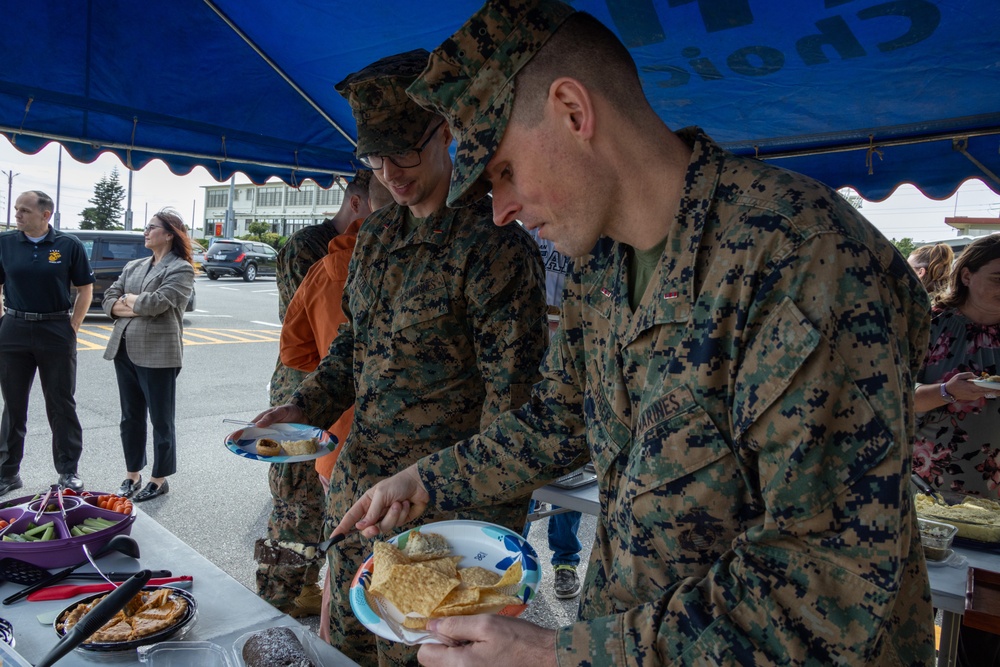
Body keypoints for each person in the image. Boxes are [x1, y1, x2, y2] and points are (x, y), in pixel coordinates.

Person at [333, 2, 936, 665]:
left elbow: (826, 584)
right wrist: (426, 478)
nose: (499, 211)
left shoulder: (798, 260)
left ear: (572, 112)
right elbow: (556, 419)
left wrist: (554, 653)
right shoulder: (603, 265)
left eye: (503, 171)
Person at [252, 48, 548, 665]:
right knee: (351, 648)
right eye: (374, 156)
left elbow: (512, 402)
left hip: (444, 503)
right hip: (362, 492)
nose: (390, 170)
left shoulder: (493, 243)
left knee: (421, 658)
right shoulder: (379, 237)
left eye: (405, 150)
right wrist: (299, 408)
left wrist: (482, 535)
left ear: (444, 131)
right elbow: (351, 351)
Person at [255, 170, 375, 618]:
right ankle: (274, 596)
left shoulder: (344, 249)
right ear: (358, 204)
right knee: (292, 508)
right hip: (303, 386)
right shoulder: (313, 248)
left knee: (314, 508)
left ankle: (302, 587)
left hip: (322, 389)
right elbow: (318, 329)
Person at [280, 173, 394, 643]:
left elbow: (295, 352)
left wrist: (324, 386)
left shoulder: (325, 266)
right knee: (390, 571)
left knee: (344, 551)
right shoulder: (396, 266)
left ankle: (332, 641)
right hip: (404, 454)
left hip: (335, 442)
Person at [911, 233, 1000, 665]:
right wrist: (946, 391)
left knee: (983, 620)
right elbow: (893, 397)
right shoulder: (929, 324)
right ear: (966, 275)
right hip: (928, 484)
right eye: (999, 277)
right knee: (919, 601)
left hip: (994, 498)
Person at [0, 190, 94, 496]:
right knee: (13, 405)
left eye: (24, 210)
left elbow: (85, 289)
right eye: (16, 209)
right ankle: (8, 472)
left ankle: (68, 470)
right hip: (13, 329)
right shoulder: (6, 243)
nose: (17, 215)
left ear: (45, 215)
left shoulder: (68, 245)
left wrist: (73, 327)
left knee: (61, 403)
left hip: (55, 328)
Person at [101, 209, 195, 502]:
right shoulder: (134, 266)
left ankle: (159, 478)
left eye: (151, 227)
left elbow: (156, 304)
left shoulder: (181, 269)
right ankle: (132, 475)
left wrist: (129, 301)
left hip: (159, 353)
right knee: (130, 417)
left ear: (169, 234)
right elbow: (107, 300)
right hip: (124, 348)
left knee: (161, 419)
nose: (146, 231)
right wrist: (132, 304)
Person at [522, 227, 583, 600]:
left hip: (574, 349)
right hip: (530, 352)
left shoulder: (581, 230)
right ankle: (516, 556)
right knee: (525, 453)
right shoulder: (523, 233)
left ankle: (565, 561)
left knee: (568, 465)